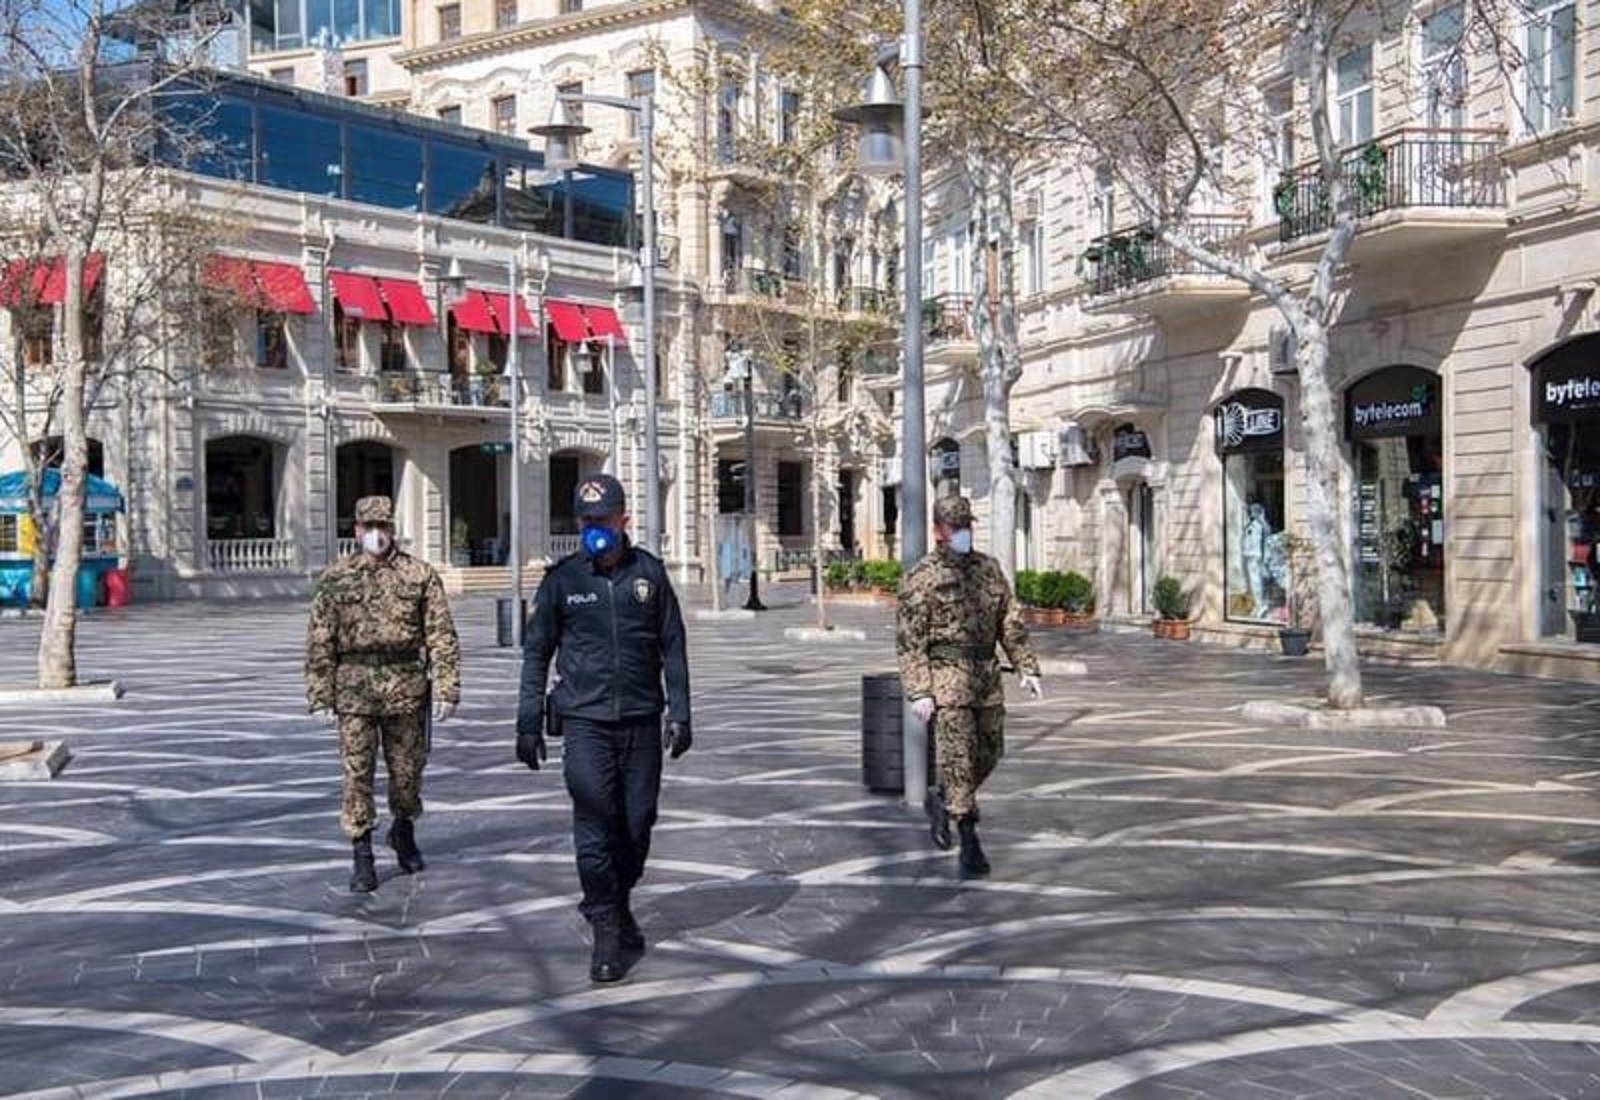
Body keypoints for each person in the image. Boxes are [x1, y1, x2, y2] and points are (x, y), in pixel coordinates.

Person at [516, 473, 692, 983]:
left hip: (641, 719)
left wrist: (680, 712)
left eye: (604, 520)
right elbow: (536, 654)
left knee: (637, 825)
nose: (596, 529)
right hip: (585, 723)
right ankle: (607, 930)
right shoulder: (562, 581)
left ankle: (615, 901)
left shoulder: (650, 575)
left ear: (623, 521)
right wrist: (528, 722)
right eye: (587, 521)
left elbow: (673, 648)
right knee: (595, 825)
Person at [306, 495, 460, 894]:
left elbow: (441, 634)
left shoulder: (419, 575)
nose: (377, 534)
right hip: (354, 689)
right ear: (356, 530)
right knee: (357, 774)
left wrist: (447, 687)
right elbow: (320, 640)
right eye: (369, 527)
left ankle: (403, 830)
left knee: (407, 774)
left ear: (393, 529)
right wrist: (319, 693)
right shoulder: (336, 578)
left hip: (407, 687)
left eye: (383, 526)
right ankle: (362, 853)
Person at [897, 496, 1042, 878]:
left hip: (986, 679)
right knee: (959, 756)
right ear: (938, 531)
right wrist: (920, 690)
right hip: (946, 681)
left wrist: (1026, 666)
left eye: (965, 526)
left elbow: (1009, 622)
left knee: (991, 750)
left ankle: (946, 799)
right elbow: (910, 641)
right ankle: (970, 842)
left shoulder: (988, 570)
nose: (962, 532)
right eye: (954, 527)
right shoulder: (921, 577)